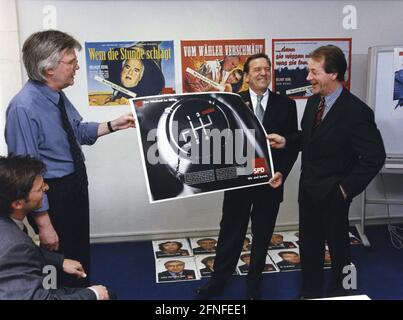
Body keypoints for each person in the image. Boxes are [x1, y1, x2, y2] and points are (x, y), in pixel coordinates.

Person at [5, 30, 136, 287]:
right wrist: (44, 224)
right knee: (60, 261)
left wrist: (114, 124)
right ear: (48, 69)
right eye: (71, 61)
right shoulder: (23, 107)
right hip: (53, 196)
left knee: (78, 254)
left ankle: (85, 291)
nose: (77, 66)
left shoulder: (55, 95)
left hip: (74, 185)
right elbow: (25, 176)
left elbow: (77, 131)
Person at [268, 45, 385, 298]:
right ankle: (310, 291)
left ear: (333, 74)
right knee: (309, 245)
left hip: (334, 194)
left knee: (338, 247)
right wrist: (287, 141)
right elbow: (311, 138)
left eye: (313, 72)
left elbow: (375, 157)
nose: (308, 77)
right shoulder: (313, 103)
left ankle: (340, 292)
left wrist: (345, 189)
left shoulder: (357, 112)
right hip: (308, 189)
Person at [196, 53, 298, 300]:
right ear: (247, 74)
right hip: (238, 182)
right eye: (257, 70)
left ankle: (254, 283)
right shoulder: (232, 102)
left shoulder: (286, 105)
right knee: (230, 232)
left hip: (271, 184)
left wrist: (282, 172)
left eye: (267, 69)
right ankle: (219, 280)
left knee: (263, 234)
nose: (263, 73)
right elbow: (219, 141)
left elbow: (291, 145)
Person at [0, 154, 113, 300]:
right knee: (107, 294)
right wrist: (94, 294)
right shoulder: (13, 244)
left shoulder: (9, 223)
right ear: (18, 204)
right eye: (40, 189)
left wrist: (60, 262)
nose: (46, 188)